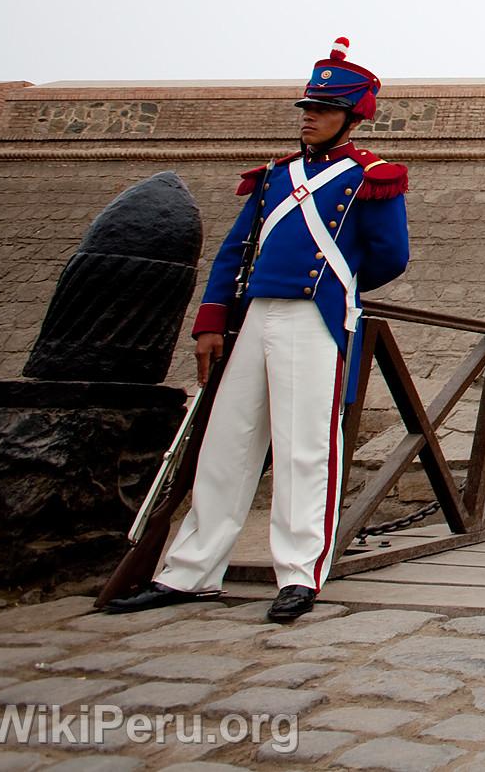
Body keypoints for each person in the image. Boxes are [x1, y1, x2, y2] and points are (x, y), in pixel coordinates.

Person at [107, 38, 409, 624]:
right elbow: (235, 250)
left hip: (313, 316)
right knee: (227, 444)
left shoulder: (371, 177)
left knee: (304, 448)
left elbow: (390, 256)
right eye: (307, 107)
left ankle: (299, 574)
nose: (309, 116)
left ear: (352, 115)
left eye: (322, 108)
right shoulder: (274, 176)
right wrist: (211, 320)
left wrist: (336, 284)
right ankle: (190, 573)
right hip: (254, 315)